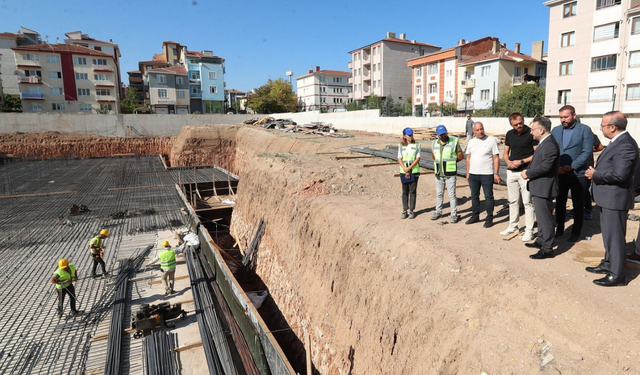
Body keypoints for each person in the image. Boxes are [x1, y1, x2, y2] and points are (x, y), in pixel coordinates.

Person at [585, 111, 639, 287]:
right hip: (608, 197)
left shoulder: (626, 145)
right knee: (609, 235)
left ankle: (617, 275)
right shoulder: (618, 142)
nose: (601, 128)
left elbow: (620, 175)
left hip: (614, 198)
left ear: (612, 127)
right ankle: (609, 264)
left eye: (602, 125)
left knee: (615, 237)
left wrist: (596, 175)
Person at [550, 105, 593, 243]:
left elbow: (586, 152)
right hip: (560, 173)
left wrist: (572, 166)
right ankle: (560, 229)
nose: (563, 120)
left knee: (578, 204)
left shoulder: (585, 130)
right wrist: (557, 167)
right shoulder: (556, 131)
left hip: (578, 174)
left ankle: (576, 232)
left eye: (566, 117)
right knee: (560, 202)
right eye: (561, 117)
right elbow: (553, 150)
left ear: (574, 116)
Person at [521, 117, 560, 259]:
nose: (531, 132)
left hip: (545, 187)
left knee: (545, 219)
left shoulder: (550, 145)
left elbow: (546, 167)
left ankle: (547, 248)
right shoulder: (544, 143)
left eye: (533, 129)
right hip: (539, 186)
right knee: (541, 216)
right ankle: (541, 240)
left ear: (541, 130)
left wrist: (528, 173)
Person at [501, 112, 537, 241]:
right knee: (513, 201)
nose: (519, 126)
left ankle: (529, 230)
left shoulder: (531, 133)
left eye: (521, 123)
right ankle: (513, 226)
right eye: (516, 124)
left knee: (528, 202)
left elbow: (536, 153)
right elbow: (505, 152)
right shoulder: (510, 134)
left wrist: (521, 162)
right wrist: (508, 162)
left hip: (525, 172)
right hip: (511, 172)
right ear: (511, 124)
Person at [465, 122, 502, 228]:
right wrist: (468, 173)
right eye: (478, 130)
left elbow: (496, 157)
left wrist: (496, 173)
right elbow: (468, 158)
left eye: (481, 129)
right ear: (473, 131)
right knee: (474, 196)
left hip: (487, 174)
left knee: (488, 197)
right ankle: (475, 216)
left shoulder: (491, 140)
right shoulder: (471, 142)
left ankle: (489, 218)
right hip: (473, 174)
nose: (480, 131)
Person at [431, 125, 463, 223]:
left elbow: (460, 156)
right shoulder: (434, 143)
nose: (444, 135)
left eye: (445, 133)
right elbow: (433, 156)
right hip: (438, 173)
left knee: (451, 195)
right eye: (441, 134)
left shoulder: (454, 141)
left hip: (450, 174)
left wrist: (452, 162)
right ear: (438, 135)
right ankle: (438, 212)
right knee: (439, 194)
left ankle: (454, 214)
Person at [568, 133, 603, 220]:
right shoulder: (570, 135)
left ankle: (587, 209)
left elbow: (600, 147)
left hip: (586, 165)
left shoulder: (590, 135)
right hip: (573, 164)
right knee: (574, 188)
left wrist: (588, 151)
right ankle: (576, 208)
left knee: (584, 188)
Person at [397, 127, 421, 219]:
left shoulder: (417, 145)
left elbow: (418, 158)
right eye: (409, 135)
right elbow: (399, 158)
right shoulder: (401, 146)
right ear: (404, 136)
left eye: (411, 134)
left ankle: (411, 210)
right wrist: (404, 168)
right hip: (403, 171)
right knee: (405, 191)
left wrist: (409, 168)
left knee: (413, 191)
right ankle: (404, 210)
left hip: (414, 171)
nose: (411, 136)